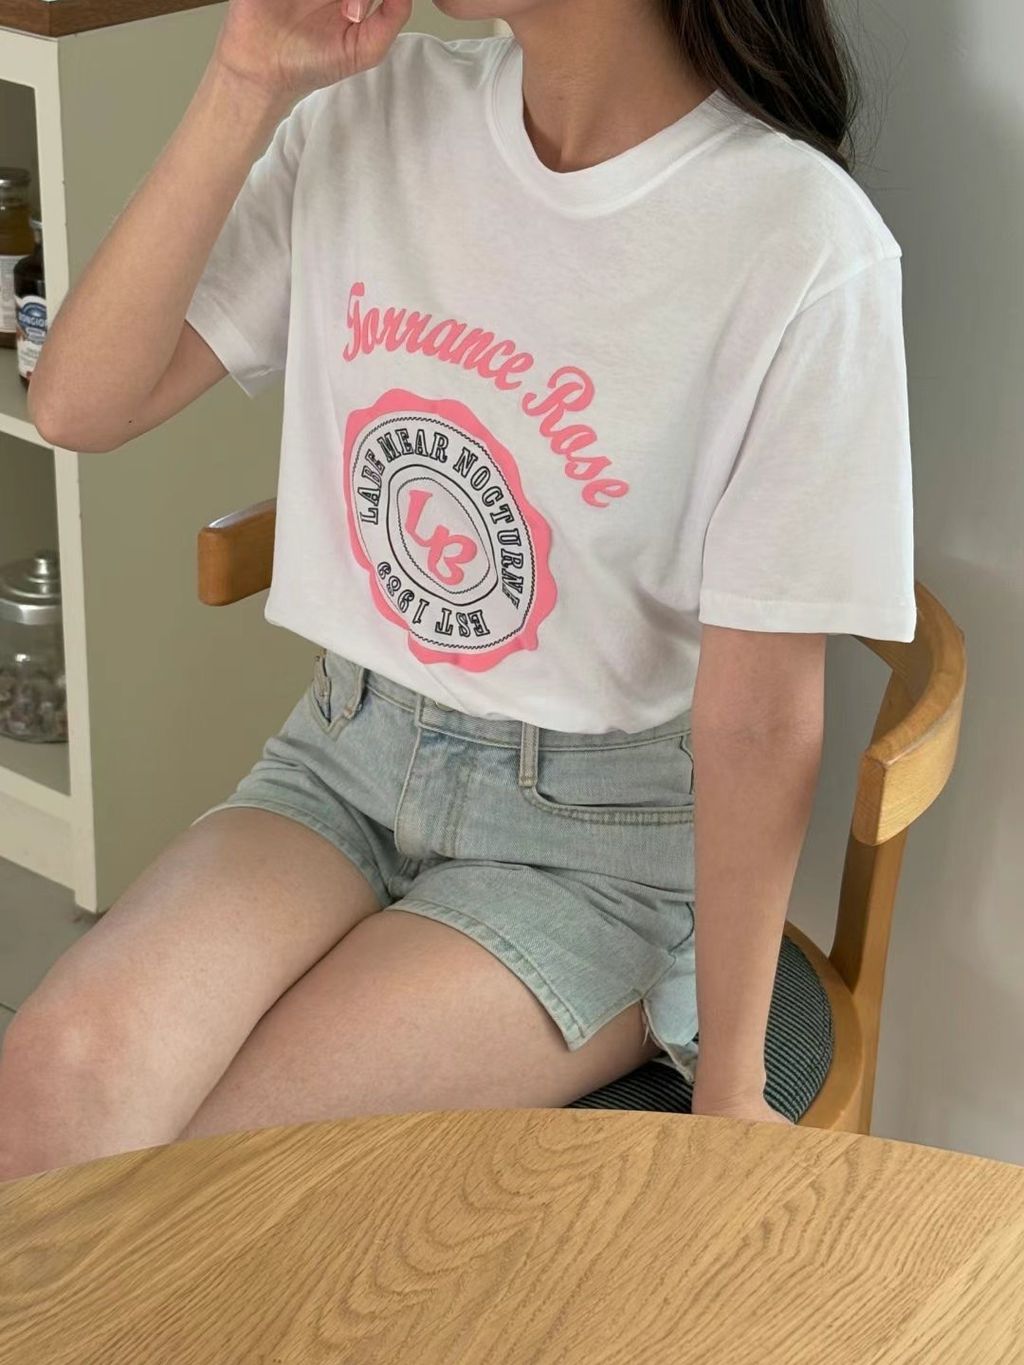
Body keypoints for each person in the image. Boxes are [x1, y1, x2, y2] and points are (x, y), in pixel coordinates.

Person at [1, 0, 914, 1181]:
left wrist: (731, 1085)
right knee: (50, 1087)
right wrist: (242, 79)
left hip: (594, 846)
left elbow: (759, 715)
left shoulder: (798, 243)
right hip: (344, 756)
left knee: (214, 1181)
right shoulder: (373, 115)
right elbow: (79, 403)